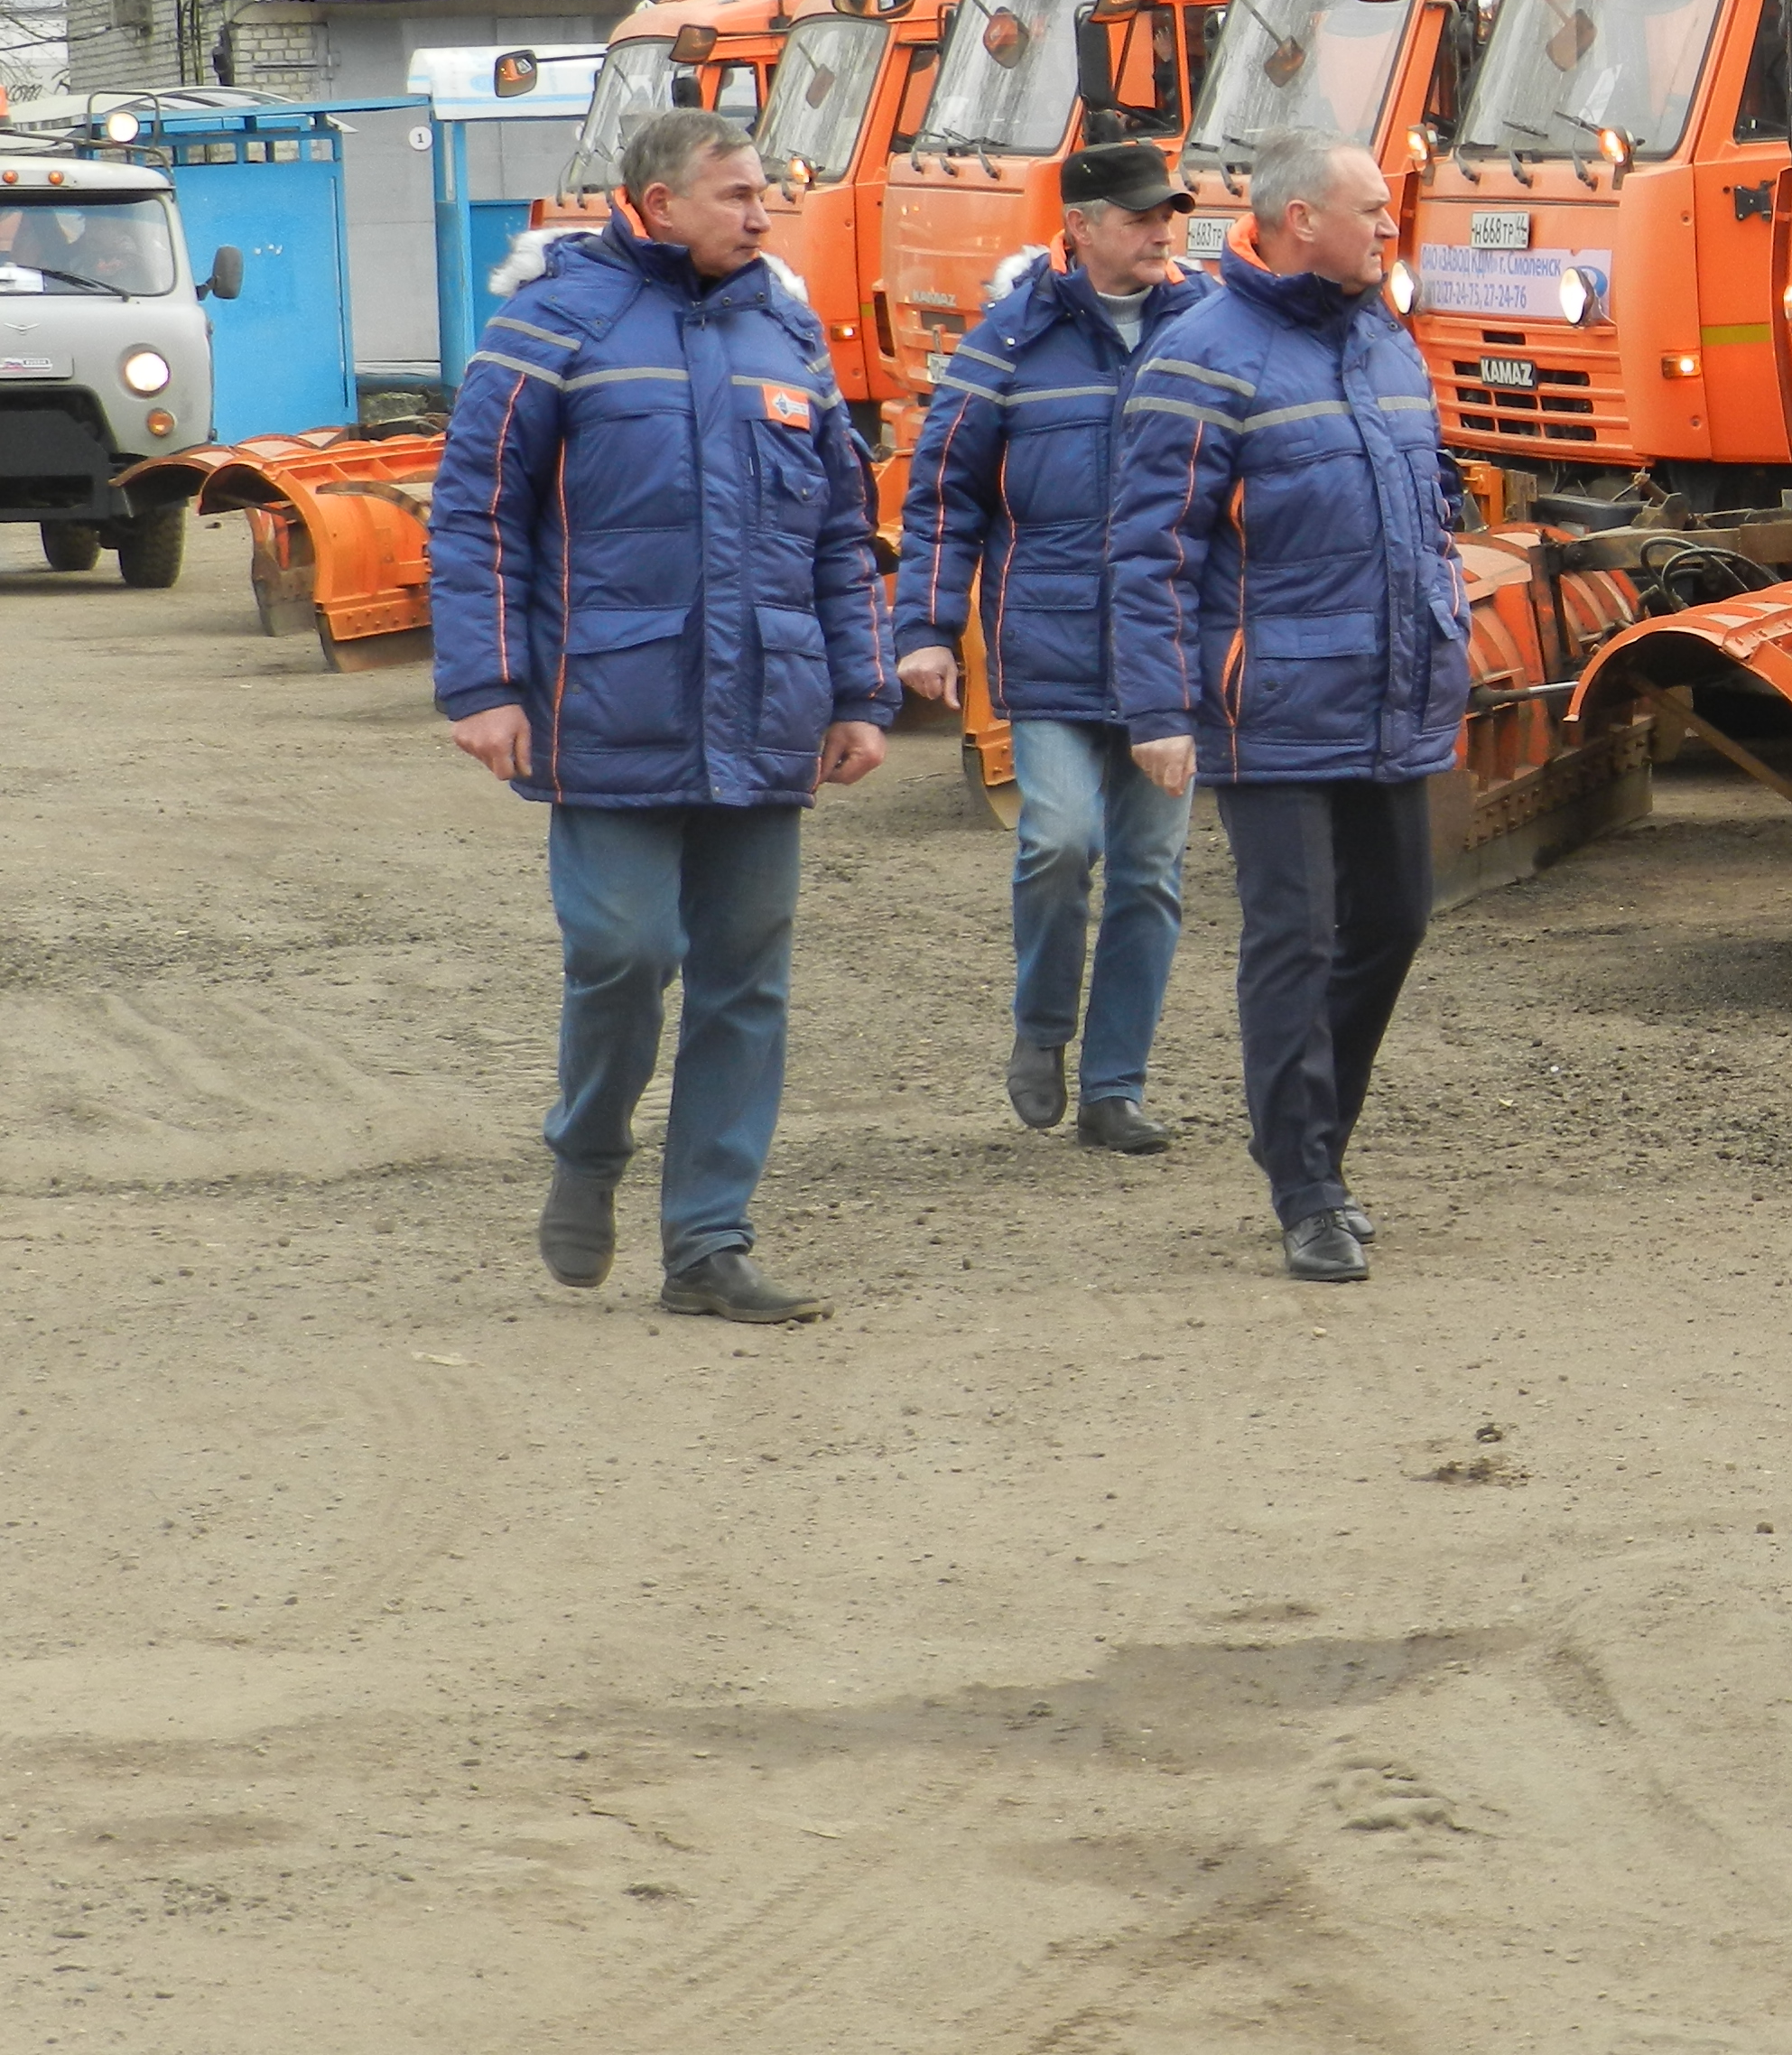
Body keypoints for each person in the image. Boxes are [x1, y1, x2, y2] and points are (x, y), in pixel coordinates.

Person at [425, 107, 896, 1324]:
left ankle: (708, 1243)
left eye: (762, 197)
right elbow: (476, 513)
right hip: (608, 702)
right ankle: (589, 1149)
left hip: (765, 707)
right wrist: (482, 686)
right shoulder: (550, 325)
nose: (759, 215)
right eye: (734, 195)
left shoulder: (785, 330)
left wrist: (858, 691)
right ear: (652, 202)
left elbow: (840, 532)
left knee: (745, 979)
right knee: (625, 952)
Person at [1109, 126, 1466, 1284]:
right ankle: (1305, 1186)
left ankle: (1313, 1141)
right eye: (1372, 209)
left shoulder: (1383, 339)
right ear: (1299, 218)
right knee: (1295, 938)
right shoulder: (1202, 354)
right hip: (1265, 705)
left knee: (1396, 921)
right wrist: (1158, 709)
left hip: (1387, 692)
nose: (1390, 226)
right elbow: (1151, 551)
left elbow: (1426, 503)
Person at [893, 142, 1214, 1151]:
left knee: (1152, 873)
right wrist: (926, 627)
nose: (1162, 230)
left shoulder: (1210, 330)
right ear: (1078, 228)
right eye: (1138, 216)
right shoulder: (1008, 343)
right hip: (1052, 646)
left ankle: (1115, 1086)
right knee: (1058, 840)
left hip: (1169, 650)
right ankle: (1042, 1030)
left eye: (1169, 213)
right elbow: (946, 492)